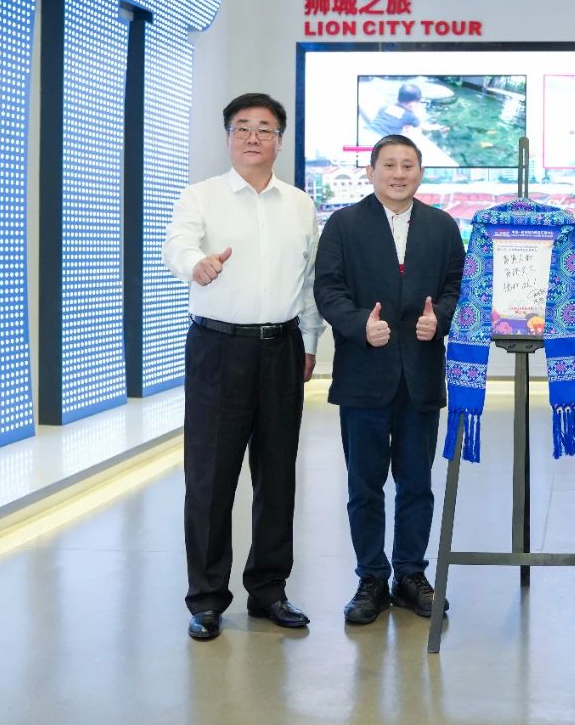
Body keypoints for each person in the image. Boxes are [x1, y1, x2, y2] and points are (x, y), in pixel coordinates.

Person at [162, 93, 323, 642]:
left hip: (282, 347)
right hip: (218, 349)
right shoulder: (201, 196)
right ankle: (207, 598)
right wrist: (197, 264)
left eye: (265, 128)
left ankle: (269, 590)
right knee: (210, 477)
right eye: (243, 127)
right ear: (228, 136)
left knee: (277, 475)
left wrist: (309, 341)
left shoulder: (299, 204)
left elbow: (308, 281)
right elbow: (177, 245)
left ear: (280, 139)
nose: (254, 136)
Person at [313, 134, 466, 624]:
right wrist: (360, 325)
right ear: (371, 171)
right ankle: (371, 578)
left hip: (420, 374)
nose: (399, 174)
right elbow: (328, 289)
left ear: (420, 172)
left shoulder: (442, 227)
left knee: (417, 483)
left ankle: (411, 575)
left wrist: (439, 319)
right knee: (365, 484)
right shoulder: (344, 225)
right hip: (364, 374)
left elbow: (456, 286)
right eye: (390, 165)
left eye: (408, 165)